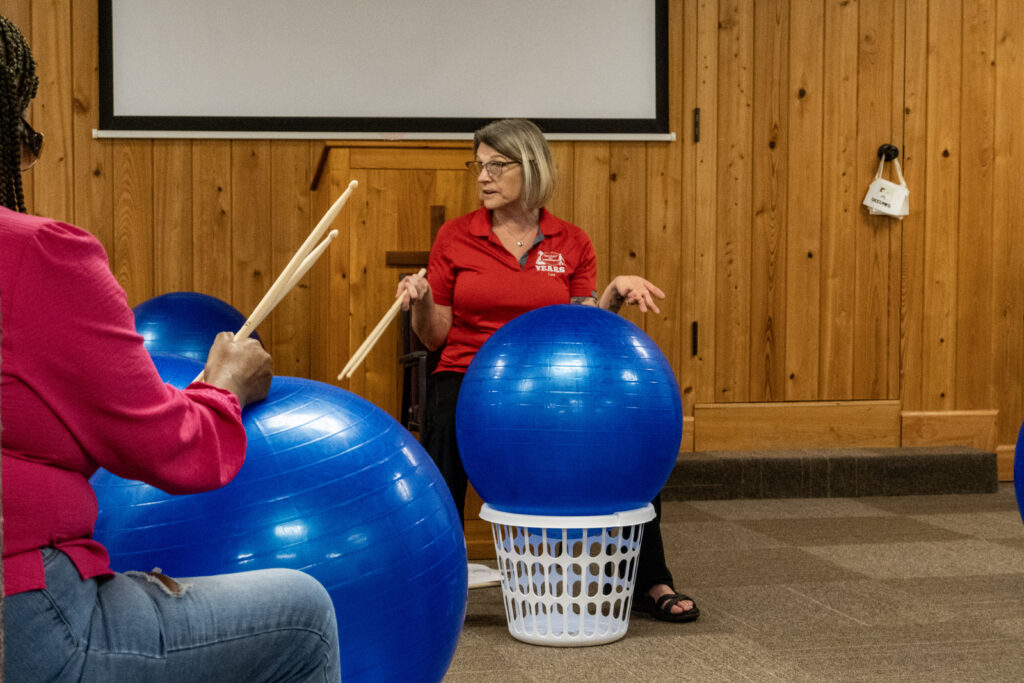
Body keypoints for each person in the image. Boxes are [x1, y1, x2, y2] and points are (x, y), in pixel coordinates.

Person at [0, 16, 341, 681]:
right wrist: (223, 387)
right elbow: (172, 450)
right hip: (27, 626)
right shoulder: (34, 255)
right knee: (303, 615)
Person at [396, 118, 699, 623]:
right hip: (469, 375)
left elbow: (582, 328)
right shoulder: (455, 238)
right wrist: (422, 301)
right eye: (479, 165)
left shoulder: (571, 243)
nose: (483, 176)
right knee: (442, 446)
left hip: (547, 386)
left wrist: (614, 294)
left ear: (530, 168)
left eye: (497, 165)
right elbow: (434, 337)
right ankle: (429, 580)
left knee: (630, 435)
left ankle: (652, 578)